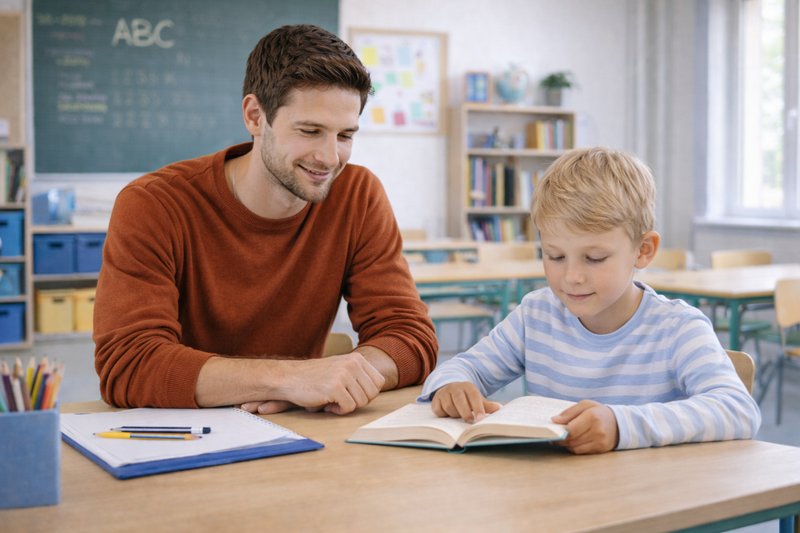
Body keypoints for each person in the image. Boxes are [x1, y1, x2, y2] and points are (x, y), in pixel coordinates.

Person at [94, 24, 438, 413]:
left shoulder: (358, 196)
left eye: (345, 135)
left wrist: (336, 377)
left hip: (298, 430)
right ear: (256, 116)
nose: (329, 157)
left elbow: (410, 337)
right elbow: (128, 364)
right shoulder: (153, 205)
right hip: (182, 436)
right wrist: (289, 379)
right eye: (310, 131)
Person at [419, 146, 761, 454]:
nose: (572, 277)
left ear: (643, 251)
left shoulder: (677, 329)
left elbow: (738, 410)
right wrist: (451, 385)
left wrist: (620, 425)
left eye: (594, 258)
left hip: (647, 501)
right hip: (558, 495)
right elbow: (464, 366)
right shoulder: (536, 315)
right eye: (554, 256)